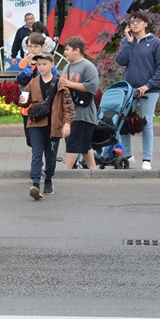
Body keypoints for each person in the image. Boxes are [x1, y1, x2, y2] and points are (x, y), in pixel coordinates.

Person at [115, 10, 160, 170]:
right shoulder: (127, 42)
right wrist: (128, 43)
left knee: (146, 123)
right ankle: (128, 156)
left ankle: (147, 159)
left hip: (149, 90)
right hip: (129, 89)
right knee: (123, 120)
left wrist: (148, 85)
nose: (134, 24)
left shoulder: (155, 43)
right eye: (131, 22)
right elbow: (121, 61)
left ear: (145, 24)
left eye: (137, 21)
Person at [19, 53, 74, 199]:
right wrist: (22, 99)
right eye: (39, 64)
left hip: (54, 125)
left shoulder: (60, 83)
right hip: (36, 123)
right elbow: (24, 101)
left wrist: (67, 123)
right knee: (37, 153)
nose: (41, 67)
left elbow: (68, 105)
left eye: (44, 64)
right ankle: (35, 184)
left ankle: (48, 178)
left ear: (52, 64)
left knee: (50, 155)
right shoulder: (33, 83)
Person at [60, 37, 100, 170]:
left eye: (67, 49)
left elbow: (92, 87)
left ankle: (66, 171)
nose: (64, 52)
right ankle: (93, 170)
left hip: (83, 114)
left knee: (73, 143)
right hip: (70, 112)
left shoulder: (88, 66)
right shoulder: (66, 66)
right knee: (84, 145)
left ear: (77, 50)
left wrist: (69, 83)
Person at [15, 33, 49, 148]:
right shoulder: (24, 62)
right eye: (30, 46)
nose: (32, 49)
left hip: (43, 104)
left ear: (43, 47)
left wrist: (39, 66)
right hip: (27, 104)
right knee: (30, 140)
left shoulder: (47, 61)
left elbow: (49, 79)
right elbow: (21, 80)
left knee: (43, 139)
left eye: (35, 46)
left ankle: (40, 159)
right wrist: (29, 67)